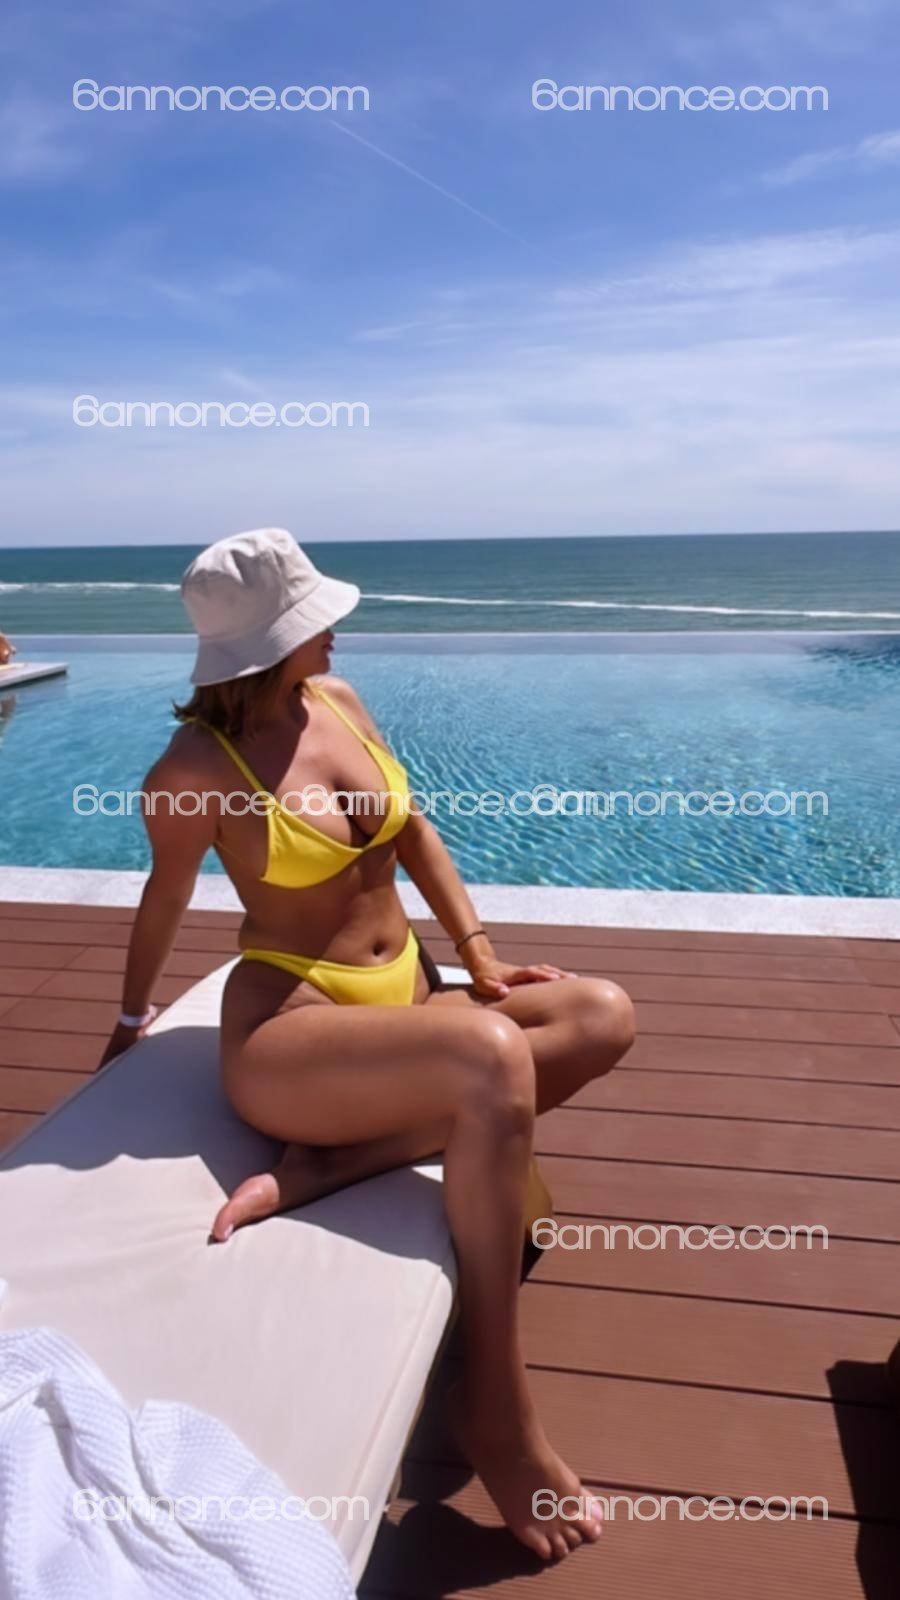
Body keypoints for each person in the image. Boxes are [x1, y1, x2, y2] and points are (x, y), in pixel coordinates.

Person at [100, 528, 636, 1562]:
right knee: (492, 1058)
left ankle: (333, 1167)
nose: (336, 631)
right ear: (264, 644)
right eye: (313, 620)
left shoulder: (338, 702)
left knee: (602, 1012)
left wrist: (479, 958)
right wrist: (129, 1024)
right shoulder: (191, 771)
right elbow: (163, 898)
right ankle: (498, 1412)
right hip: (292, 1029)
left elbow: (415, 832)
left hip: (412, 997)